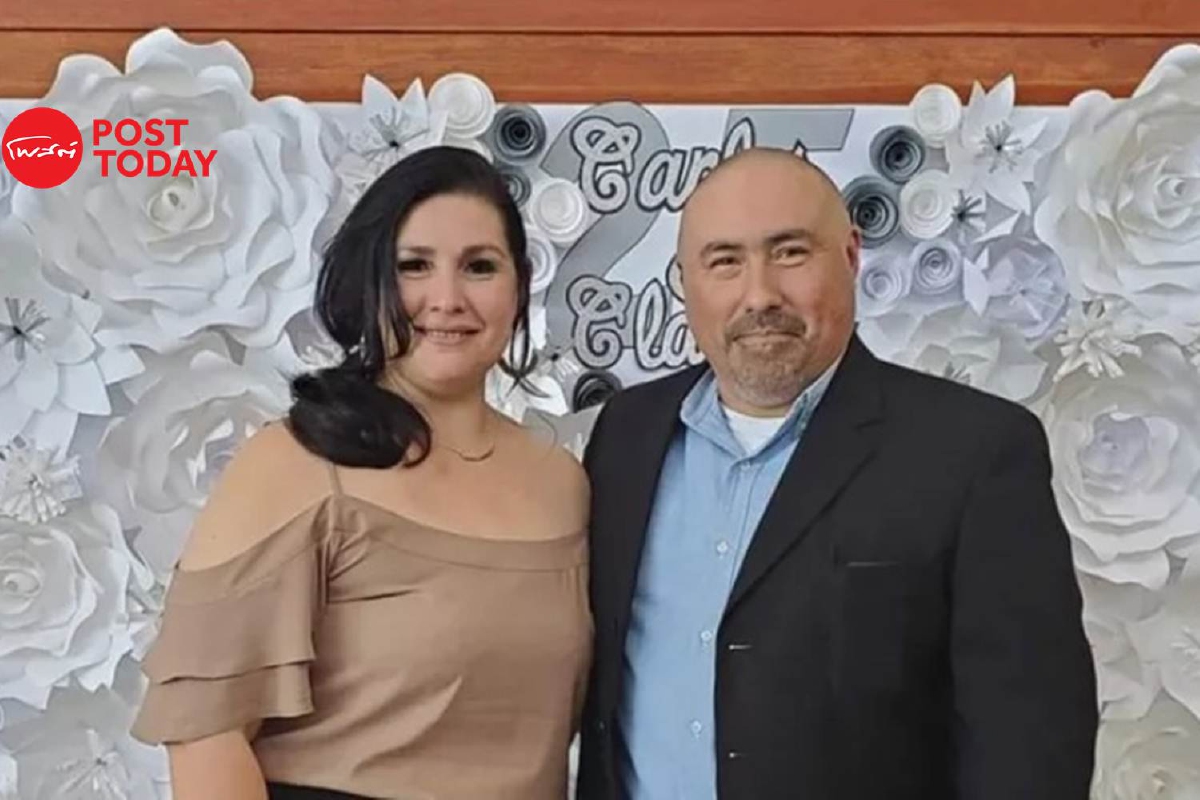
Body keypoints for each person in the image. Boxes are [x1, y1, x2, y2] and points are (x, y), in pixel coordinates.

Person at [575, 147, 1098, 800]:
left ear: (850, 256)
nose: (760, 295)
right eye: (725, 261)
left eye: (790, 252)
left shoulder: (975, 452)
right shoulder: (627, 434)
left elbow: (1030, 747)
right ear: (686, 281)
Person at [131, 146, 592, 800]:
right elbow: (205, 734)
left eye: (479, 266)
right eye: (414, 266)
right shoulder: (294, 464)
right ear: (369, 281)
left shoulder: (562, 483)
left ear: (518, 287)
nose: (447, 298)